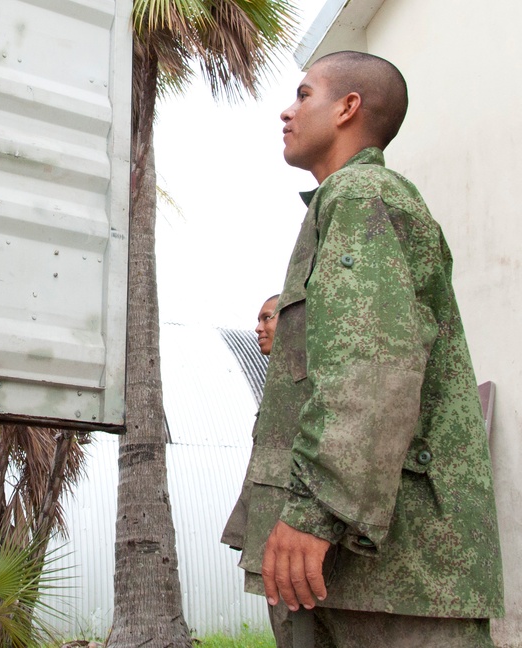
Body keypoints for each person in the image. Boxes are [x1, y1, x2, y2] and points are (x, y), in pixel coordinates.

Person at [222, 51, 503, 647]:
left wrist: (314, 512)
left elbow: (371, 367)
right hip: (363, 575)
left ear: (348, 108)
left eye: (303, 95)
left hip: (390, 576)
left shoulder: (362, 196)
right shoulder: (346, 202)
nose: (286, 111)